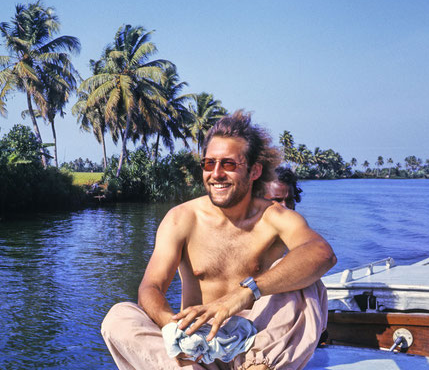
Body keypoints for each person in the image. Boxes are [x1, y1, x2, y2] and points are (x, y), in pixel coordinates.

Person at [101, 110, 337, 370]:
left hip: (253, 346)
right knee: (119, 317)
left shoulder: (275, 218)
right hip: (196, 351)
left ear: (254, 170)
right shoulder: (182, 219)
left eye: (229, 164)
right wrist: (173, 327)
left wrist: (244, 294)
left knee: (306, 282)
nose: (216, 174)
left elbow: (322, 253)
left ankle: (256, 367)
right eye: (208, 163)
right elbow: (150, 288)